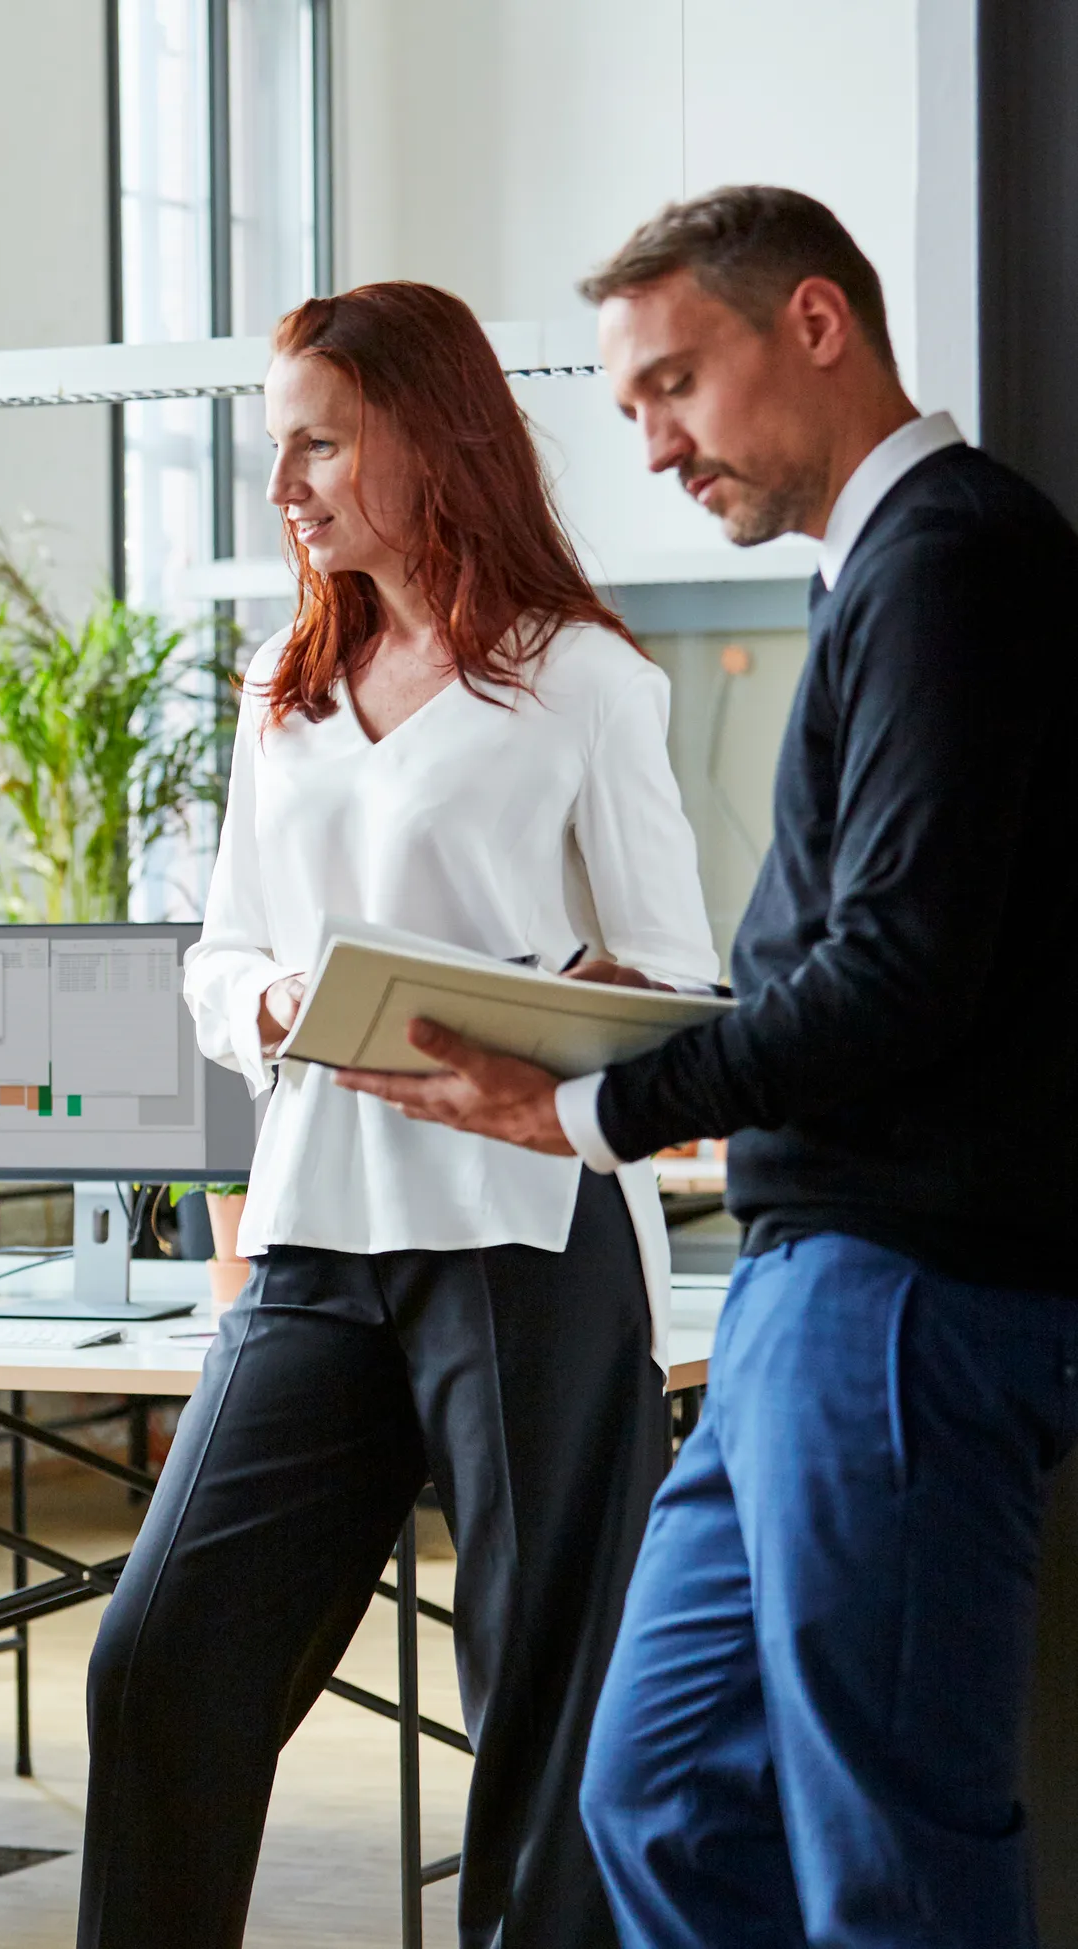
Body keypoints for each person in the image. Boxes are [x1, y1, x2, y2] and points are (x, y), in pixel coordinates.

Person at [336, 187, 1078, 1949]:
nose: (656, 447)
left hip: (906, 1292)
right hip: (801, 1293)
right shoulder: (889, 576)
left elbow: (902, 969)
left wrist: (586, 1099)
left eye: (676, 385)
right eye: (630, 409)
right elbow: (875, 958)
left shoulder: (955, 560)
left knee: (889, 1837)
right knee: (656, 1789)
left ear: (814, 323)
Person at [77, 282, 721, 1949]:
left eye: (317, 442)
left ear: (428, 439)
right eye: (272, 446)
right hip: (313, 1223)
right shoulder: (285, 687)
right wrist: (278, 1004)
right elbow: (217, 955)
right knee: (163, 1655)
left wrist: (543, 1005)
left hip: (522, 1231)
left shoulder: (577, 677)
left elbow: (674, 967)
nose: (283, 483)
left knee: (542, 1692)